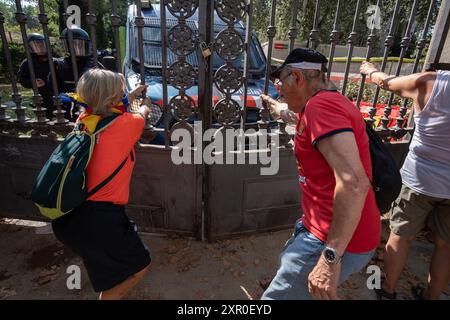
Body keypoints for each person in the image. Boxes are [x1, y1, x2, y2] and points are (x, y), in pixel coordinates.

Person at [260, 48, 381, 300]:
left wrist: (329, 259)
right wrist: (278, 108)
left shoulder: (321, 108)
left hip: (329, 239)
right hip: (320, 228)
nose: (279, 89)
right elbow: (303, 122)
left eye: (281, 82)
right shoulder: (323, 103)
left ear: (297, 77)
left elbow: (355, 183)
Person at [51, 69, 152, 300]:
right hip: (100, 220)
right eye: (120, 92)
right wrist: (143, 104)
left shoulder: (83, 120)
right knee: (139, 266)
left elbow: (110, 112)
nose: (123, 95)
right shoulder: (129, 124)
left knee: (110, 271)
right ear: (112, 99)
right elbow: (140, 116)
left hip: (70, 215)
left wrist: (131, 96)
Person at [360, 61, 450, 300]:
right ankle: (431, 297)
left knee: (401, 235)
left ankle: (388, 291)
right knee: (445, 245)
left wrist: (369, 70)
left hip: (420, 179)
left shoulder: (432, 82)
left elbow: (385, 82)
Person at [55, 26, 103, 121]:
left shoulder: (94, 64)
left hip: (89, 108)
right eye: (71, 44)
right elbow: (53, 85)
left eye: (78, 44)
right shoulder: (60, 65)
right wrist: (59, 95)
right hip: (66, 110)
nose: (75, 48)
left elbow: (104, 86)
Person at [17, 33, 56, 120]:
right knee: (44, 120)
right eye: (36, 46)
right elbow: (21, 79)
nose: (40, 48)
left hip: (57, 94)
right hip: (41, 97)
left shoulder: (54, 60)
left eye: (41, 45)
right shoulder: (27, 63)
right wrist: (33, 83)